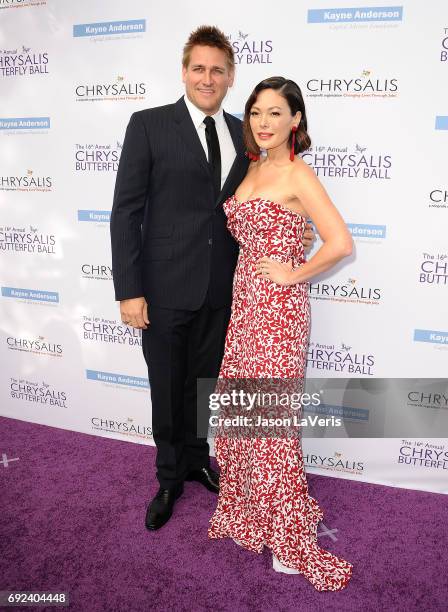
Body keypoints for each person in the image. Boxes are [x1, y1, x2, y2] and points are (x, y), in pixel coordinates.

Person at [110, 26, 315, 531]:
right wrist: (129, 290)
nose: (208, 78)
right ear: (184, 72)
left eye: (218, 70)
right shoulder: (148, 125)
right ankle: (167, 476)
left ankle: (199, 459)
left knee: (203, 386)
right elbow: (125, 212)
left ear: (230, 77)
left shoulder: (246, 137)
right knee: (166, 386)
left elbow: (265, 205)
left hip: (224, 292)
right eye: (198, 68)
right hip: (160, 290)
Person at [207, 77, 354, 592]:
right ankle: (253, 512)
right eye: (255, 113)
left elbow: (339, 242)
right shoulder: (252, 166)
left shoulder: (297, 172)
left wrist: (292, 273)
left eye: (275, 113)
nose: (263, 122)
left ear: (296, 120)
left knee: (270, 423)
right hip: (245, 304)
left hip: (278, 312)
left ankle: (289, 538)